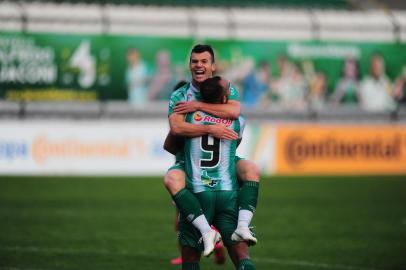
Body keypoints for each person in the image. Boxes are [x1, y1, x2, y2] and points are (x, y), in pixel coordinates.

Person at [164, 44, 260, 259]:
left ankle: (237, 227)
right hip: (190, 164)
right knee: (173, 178)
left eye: (204, 61)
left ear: (213, 66)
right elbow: (176, 129)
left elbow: (234, 109)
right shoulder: (180, 94)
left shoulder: (225, 87)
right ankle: (221, 231)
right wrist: (209, 128)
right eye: (194, 61)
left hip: (219, 168)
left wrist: (197, 106)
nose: (199, 65)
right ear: (189, 65)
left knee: (251, 168)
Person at [177, 76, 255, 269]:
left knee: (190, 258)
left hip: (198, 193)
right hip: (227, 192)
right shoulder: (239, 121)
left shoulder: (189, 118)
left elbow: (171, 144)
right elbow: (235, 145)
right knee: (242, 256)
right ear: (223, 99)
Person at [168, 80, 226, 266]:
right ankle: (211, 242)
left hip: (188, 171)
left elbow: (169, 145)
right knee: (197, 215)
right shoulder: (208, 117)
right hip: (208, 174)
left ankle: (191, 253)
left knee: (182, 220)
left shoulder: (185, 120)